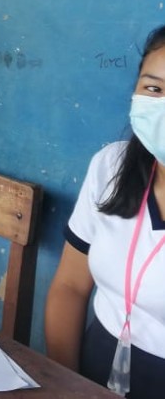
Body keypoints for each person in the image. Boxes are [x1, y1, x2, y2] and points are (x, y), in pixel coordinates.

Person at [45, 25, 165, 398]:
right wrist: (66, 385)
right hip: (89, 372)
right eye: (154, 89)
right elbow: (69, 287)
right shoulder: (110, 166)